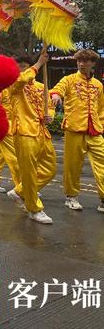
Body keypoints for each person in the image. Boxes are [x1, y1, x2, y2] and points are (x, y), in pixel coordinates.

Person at [5, 51, 57, 223]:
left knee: (50, 169)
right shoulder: (13, 84)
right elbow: (21, 80)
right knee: (28, 172)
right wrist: (39, 63)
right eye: (18, 68)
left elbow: (49, 106)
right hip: (24, 131)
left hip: (42, 132)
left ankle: (19, 191)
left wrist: (50, 115)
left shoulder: (43, 87)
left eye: (24, 67)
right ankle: (34, 208)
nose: (21, 71)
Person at [51, 49, 104, 212]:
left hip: (94, 130)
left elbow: (101, 108)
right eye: (79, 61)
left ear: (93, 64)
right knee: (73, 166)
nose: (82, 64)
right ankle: (71, 196)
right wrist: (55, 96)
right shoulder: (69, 79)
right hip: (74, 128)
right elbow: (56, 90)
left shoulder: (98, 85)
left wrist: (101, 125)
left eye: (86, 61)